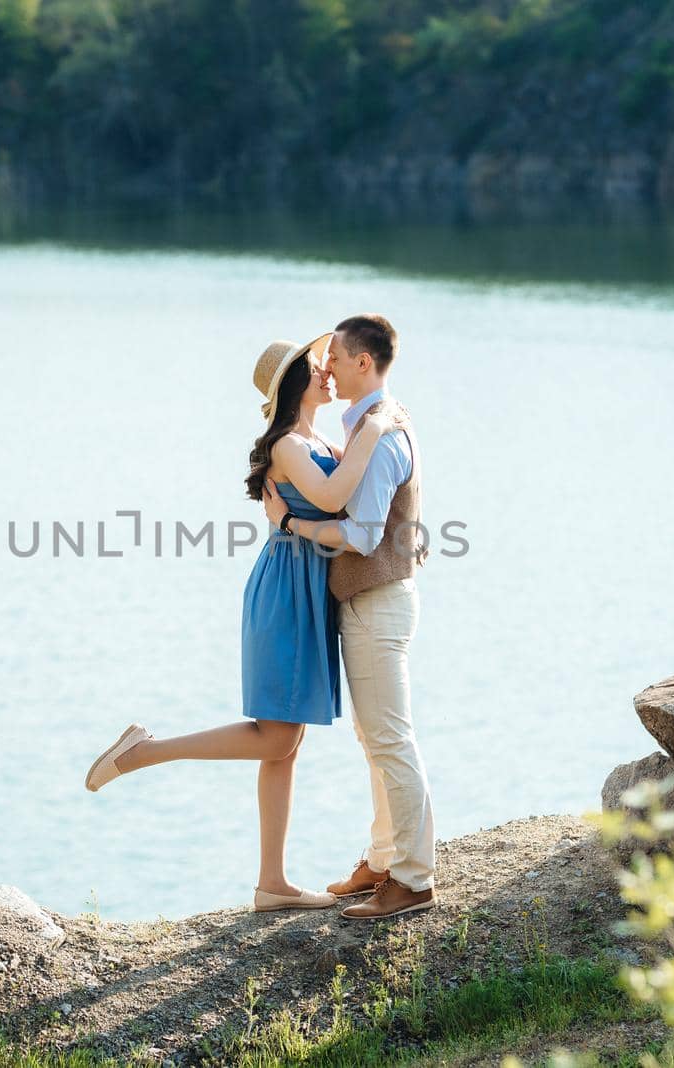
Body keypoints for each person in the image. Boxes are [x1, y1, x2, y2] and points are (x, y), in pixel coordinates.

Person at [84, 332, 393, 913]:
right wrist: (376, 428)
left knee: (285, 744)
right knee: (277, 735)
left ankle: (271, 884)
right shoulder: (287, 446)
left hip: (303, 586)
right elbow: (332, 497)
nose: (328, 370)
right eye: (316, 365)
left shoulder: (315, 437)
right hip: (285, 590)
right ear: (296, 383)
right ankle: (145, 750)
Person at [262, 313, 436, 921]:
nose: (327, 365)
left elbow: (361, 534)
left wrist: (291, 524)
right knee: (375, 738)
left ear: (364, 363)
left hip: (376, 601)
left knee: (390, 739)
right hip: (369, 602)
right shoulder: (366, 425)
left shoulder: (382, 431)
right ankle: (384, 858)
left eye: (334, 356)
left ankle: (413, 879)